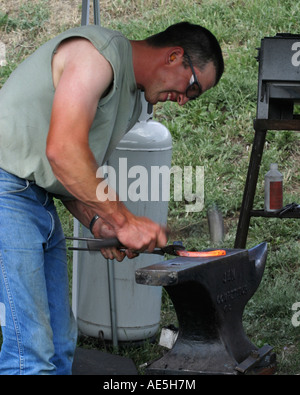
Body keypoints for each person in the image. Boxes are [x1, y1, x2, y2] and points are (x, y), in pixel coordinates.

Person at [0, 21, 224, 374]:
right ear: (175, 56)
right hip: (7, 190)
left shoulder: (129, 99)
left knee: (59, 345)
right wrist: (125, 221)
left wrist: (97, 220)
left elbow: (73, 175)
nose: (183, 100)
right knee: (30, 350)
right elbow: (63, 151)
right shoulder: (97, 57)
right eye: (192, 88)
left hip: (34, 196)